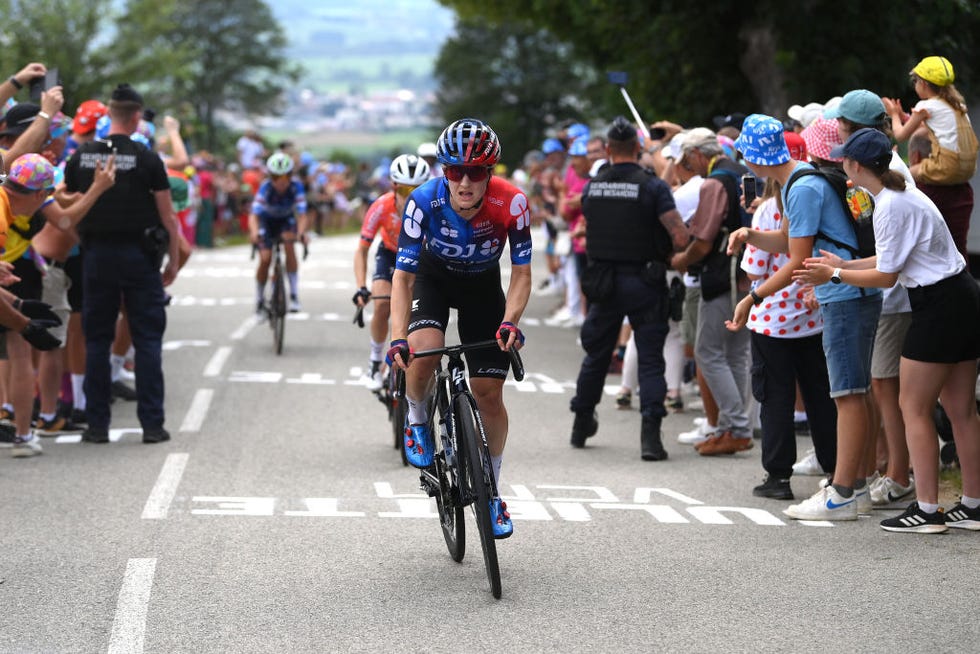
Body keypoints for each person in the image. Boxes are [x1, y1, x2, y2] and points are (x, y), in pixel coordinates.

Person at [794, 128, 980, 533]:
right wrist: (841, 263)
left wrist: (836, 274)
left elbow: (888, 277)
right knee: (962, 410)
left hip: (937, 307)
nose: (841, 162)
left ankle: (928, 511)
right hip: (964, 297)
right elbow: (887, 259)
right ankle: (973, 504)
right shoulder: (901, 195)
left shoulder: (889, 206)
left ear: (856, 166)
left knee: (912, 407)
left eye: (845, 158)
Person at [727, 114, 882, 521]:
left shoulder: (800, 187)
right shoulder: (801, 177)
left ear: (753, 158)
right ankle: (856, 484)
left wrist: (753, 297)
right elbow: (790, 241)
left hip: (845, 293)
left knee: (847, 395)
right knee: (852, 392)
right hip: (851, 289)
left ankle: (843, 492)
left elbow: (796, 258)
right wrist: (750, 235)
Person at [387, 118, 531, 539]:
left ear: (491, 173)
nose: (465, 182)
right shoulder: (423, 201)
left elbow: (521, 274)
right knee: (425, 351)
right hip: (433, 279)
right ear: (443, 171)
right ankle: (416, 417)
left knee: (489, 393)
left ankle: (491, 492)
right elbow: (402, 278)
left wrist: (511, 322)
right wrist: (399, 336)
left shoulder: (513, 203)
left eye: (477, 172)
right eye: (455, 171)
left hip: (483, 286)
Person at [64, 83, 180, 445]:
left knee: (96, 339)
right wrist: (173, 261)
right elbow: (168, 216)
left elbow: (70, 207)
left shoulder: (81, 156)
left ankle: (97, 426)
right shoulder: (147, 159)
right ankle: (152, 426)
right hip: (139, 257)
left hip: (96, 256)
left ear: (109, 114)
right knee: (147, 340)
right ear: (135, 117)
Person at [568, 116, 689, 460]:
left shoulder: (593, 187)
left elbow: (590, 226)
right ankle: (651, 437)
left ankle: (581, 422)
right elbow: (680, 237)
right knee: (651, 360)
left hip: (603, 282)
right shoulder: (652, 187)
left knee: (596, 355)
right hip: (646, 281)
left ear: (607, 150)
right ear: (637, 148)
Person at [670, 128, 754, 456]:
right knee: (735, 353)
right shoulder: (742, 172)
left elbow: (703, 240)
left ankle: (735, 426)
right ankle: (732, 426)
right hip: (749, 276)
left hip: (723, 277)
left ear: (698, 155)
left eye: (688, 160)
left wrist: (680, 259)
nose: (689, 166)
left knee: (708, 351)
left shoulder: (715, 182)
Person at [883, 56, 977, 260]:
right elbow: (933, 129)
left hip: (944, 166)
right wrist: (907, 119)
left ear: (923, 83)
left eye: (915, 81)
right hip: (963, 171)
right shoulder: (957, 106)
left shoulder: (927, 106)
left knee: (905, 174)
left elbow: (900, 135)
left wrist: (894, 115)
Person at [353, 153, 431, 390]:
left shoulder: (432, 207)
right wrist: (361, 286)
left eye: (417, 191)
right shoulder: (381, 206)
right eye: (405, 191)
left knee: (417, 311)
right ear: (394, 186)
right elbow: (362, 250)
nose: (411, 198)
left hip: (420, 257)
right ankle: (375, 363)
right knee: (383, 305)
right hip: (389, 254)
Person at [248, 152, 309, 314]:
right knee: (265, 258)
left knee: (289, 244)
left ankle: (294, 295)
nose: (280, 182)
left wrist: (301, 233)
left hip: (285, 221)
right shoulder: (265, 188)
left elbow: (302, 215)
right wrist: (254, 233)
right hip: (266, 222)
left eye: (285, 177)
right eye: (275, 177)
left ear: (290, 176)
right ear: (270, 177)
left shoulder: (296, 187)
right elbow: (254, 215)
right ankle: (260, 300)